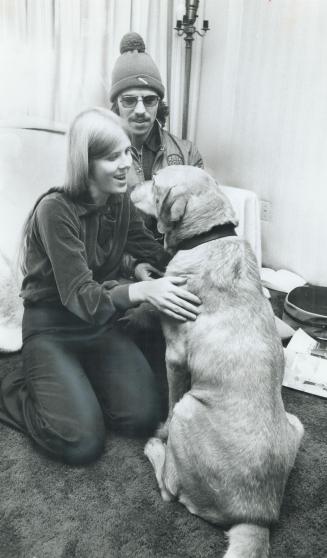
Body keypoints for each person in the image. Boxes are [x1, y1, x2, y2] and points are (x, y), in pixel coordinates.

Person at [0, 108, 201, 466]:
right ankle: (17, 389)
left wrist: (211, 259)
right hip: (52, 328)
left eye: (127, 152)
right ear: (86, 163)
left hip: (98, 325)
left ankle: (72, 387)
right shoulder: (54, 210)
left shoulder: (119, 200)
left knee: (143, 416)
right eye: (112, 157)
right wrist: (140, 291)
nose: (126, 164)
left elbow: (151, 250)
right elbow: (82, 297)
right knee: (80, 442)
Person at [110, 32, 204, 239]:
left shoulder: (188, 154)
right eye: (129, 100)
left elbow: (203, 221)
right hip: (125, 265)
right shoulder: (100, 159)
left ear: (159, 104)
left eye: (150, 100)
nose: (141, 110)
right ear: (116, 104)